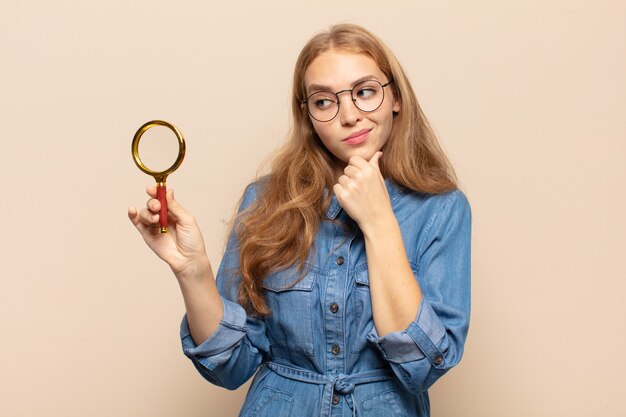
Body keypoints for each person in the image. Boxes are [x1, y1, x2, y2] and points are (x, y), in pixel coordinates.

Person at [128, 23, 471, 417]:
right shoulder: (264, 200)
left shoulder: (442, 209)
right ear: (307, 115)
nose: (349, 115)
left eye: (364, 92)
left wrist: (379, 223)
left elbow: (423, 367)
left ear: (395, 97)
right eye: (324, 101)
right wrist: (193, 271)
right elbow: (230, 366)